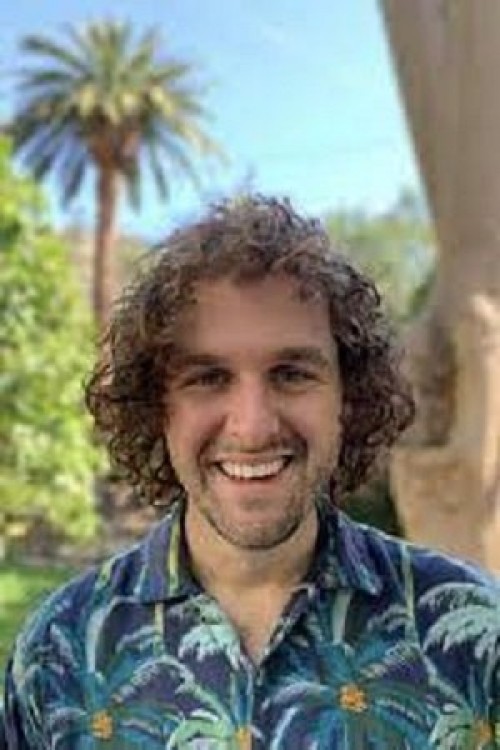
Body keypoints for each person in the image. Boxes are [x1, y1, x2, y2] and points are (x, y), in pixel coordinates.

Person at [2, 195, 499, 749]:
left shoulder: (477, 634)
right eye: (208, 378)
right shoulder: (58, 654)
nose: (254, 426)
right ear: (156, 405)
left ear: (348, 396)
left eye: (291, 373)